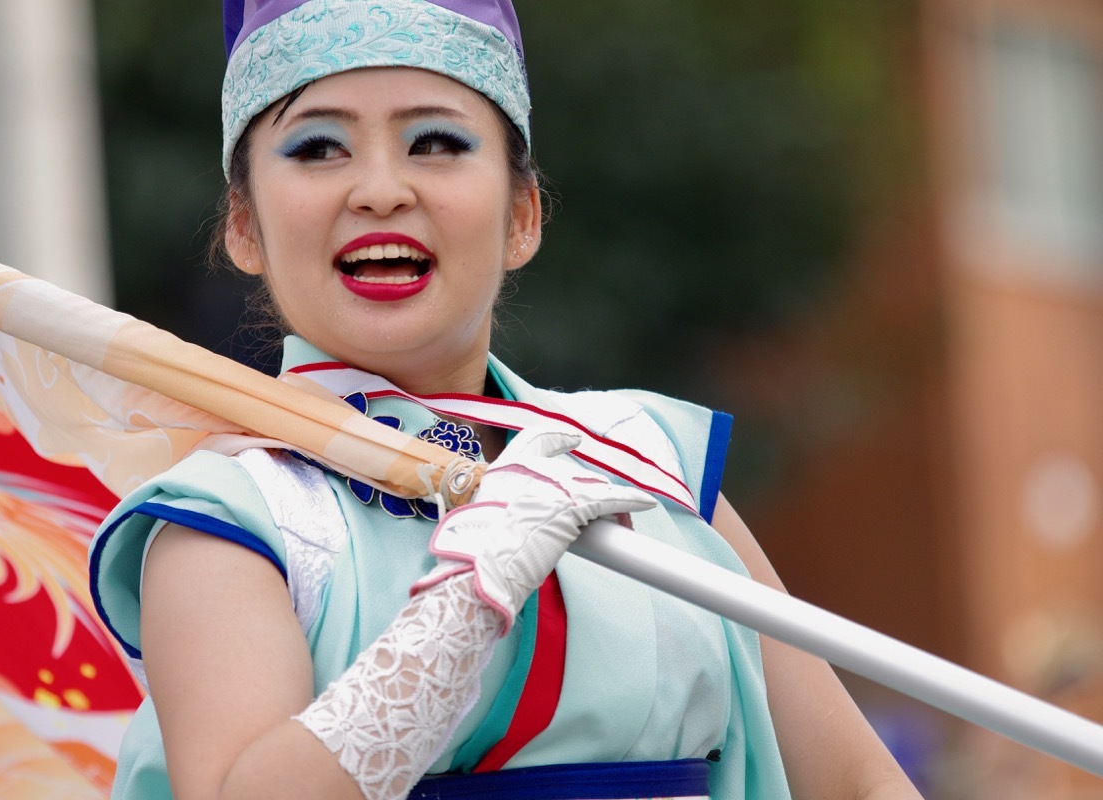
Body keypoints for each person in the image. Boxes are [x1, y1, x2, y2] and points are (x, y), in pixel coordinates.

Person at [89, 1, 924, 798]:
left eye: (436, 141)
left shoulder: (644, 457)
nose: (380, 189)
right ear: (243, 225)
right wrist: (463, 608)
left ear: (522, 216)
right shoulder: (232, 516)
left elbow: (857, 782)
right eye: (317, 149)